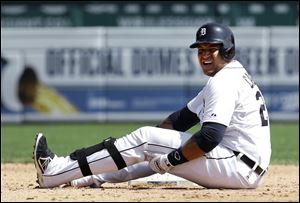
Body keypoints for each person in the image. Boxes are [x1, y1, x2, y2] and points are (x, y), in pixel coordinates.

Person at [33, 22, 271, 189]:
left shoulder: (224, 80)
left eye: (211, 49)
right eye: (200, 50)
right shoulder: (232, 74)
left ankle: (56, 171)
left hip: (237, 166)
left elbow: (209, 137)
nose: (204, 55)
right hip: (241, 165)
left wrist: (170, 158)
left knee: (146, 139)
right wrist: (157, 145)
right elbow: (182, 119)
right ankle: (88, 176)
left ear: (227, 50)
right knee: (149, 143)